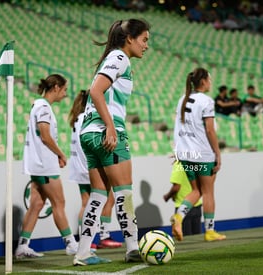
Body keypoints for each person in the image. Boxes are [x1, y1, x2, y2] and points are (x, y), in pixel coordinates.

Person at [73, 18, 150, 266]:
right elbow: (95, 91)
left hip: (88, 133)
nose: (146, 45)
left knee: (98, 195)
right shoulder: (120, 58)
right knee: (124, 192)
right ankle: (132, 248)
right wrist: (110, 127)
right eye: (144, 39)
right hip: (105, 130)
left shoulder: (114, 58)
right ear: (130, 38)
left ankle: (83, 252)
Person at [15, 74, 78, 259]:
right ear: (56, 87)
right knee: (59, 203)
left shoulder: (39, 105)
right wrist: (60, 153)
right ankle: (71, 244)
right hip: (44, 165)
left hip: (39, 164)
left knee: (36, 204)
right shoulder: (43, 107)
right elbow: (45, 136)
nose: (65, 94)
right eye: (64, 90)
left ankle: (22, 246)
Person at [171, 67, 226, 242]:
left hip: (185, 153)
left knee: (197, 190)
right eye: (209, 79)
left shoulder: (182, 99)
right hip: (202, 154)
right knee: (208, 192)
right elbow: (210, 130)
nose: (211, 82)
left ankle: (179, 216)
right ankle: (210, 231)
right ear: (203, 81)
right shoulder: (207, 101)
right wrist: (217, 153)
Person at [68, 90, 122, 251]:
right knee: (109, 199)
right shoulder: (87, 119)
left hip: (78, 167)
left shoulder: (76, 119)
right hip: (88, 165)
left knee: (86, 203)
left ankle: (86, 241)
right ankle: (104, 236)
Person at [163, 160, 202, 236]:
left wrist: (167, 196)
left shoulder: (179, 164)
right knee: (197, 237)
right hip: (197, 205)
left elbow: (176, 187)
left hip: (183, 206)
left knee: (185, 239)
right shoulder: (195, 162)